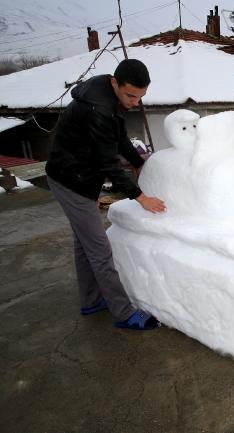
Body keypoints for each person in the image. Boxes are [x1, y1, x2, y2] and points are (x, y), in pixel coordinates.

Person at [46, 59, 165, 330]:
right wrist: (141, 197)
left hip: (78, 175)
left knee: (84, 243)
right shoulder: (98, 110)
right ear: (115, 82)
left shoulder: (110, 99)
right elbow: (108, 163)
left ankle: (91, 301)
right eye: (130, 95)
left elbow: (120, 136)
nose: (134, 102)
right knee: (99, 249)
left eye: (140, 96)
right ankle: (124, 314)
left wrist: (140, 162)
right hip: (71, 181)